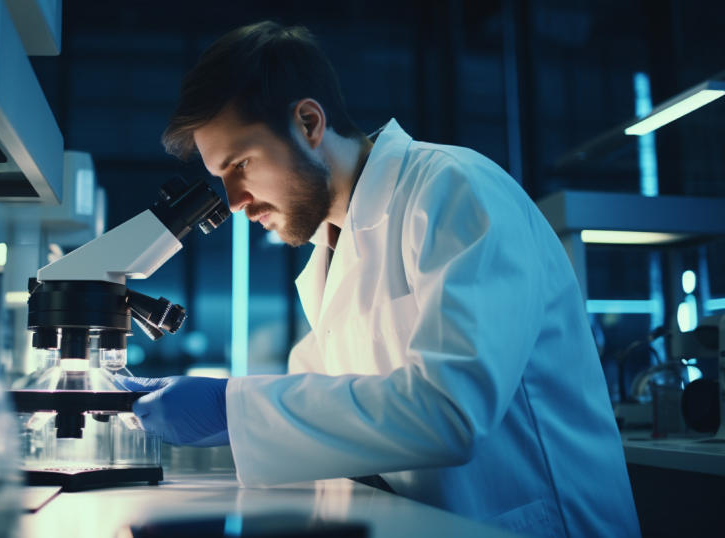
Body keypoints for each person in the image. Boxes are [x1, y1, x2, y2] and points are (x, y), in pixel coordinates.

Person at [119, 21, 640, 537]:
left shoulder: (454, 189)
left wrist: (230, 410)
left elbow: (449, 411)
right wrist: (225, 413)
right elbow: (325, 401)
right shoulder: (327, 256)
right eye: (222, 177)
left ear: (307, 123)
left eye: (241, 164)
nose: (233, 202)